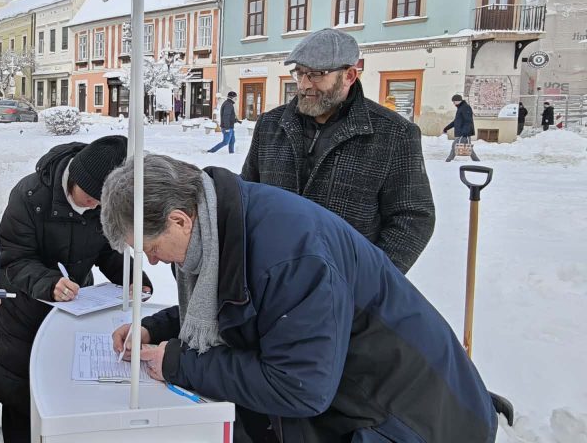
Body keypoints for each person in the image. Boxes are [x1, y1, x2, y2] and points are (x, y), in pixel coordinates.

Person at [101, 154, 498, 443]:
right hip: (357, 401)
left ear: (179, 220)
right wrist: (158, 327)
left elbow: (299, 386)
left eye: (150, 247)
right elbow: (241, 304)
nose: (152, 260)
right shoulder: (217, 224)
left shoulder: (291, 256)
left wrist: (179, 363)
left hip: (409, 418)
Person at [0, 135, 152, 443]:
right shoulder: (29, 196)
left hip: (74, 306)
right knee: (22, 398)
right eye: (90, 197)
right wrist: (49, 283)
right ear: (76, 178)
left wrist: (132, 277)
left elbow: (108, 250)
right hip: (25, 310)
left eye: (102, 202)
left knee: (63, 393)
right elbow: (15, 259)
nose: (95, 205)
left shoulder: (102, 203)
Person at [241, 28, 434, 274]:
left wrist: (371, 279)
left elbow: (413, 218)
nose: (304, 85)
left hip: (344, 282)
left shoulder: (394, 133)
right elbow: (248, 195)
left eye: (316, 74)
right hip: (272, 276)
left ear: (349, 76)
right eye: (299, 73)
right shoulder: (271, 125)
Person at [444, 93, 481, 162]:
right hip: (462, 133)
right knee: (469, 149)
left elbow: (468, 121)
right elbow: (456, 121)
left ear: (458, 101)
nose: (453, 103)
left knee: (455, 145)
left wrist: (465, 132)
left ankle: (448, 160)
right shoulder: (461, 108)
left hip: (464, 133)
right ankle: (477, 161)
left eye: (454, 101)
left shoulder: (465, 107)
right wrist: (446, 128)